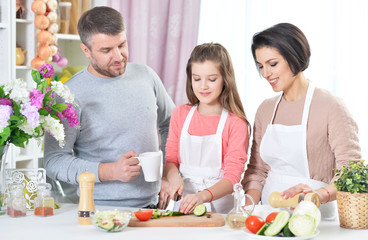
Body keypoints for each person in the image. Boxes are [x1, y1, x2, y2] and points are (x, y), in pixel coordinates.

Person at [44, 6, 175, 208]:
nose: (118, 56)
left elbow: (172, 125)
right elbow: (54, 161)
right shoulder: (68, 95)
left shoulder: (146, 75)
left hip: (153, 207)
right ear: (86, 50)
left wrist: (169, 172)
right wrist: (110, 171)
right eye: (106, 50)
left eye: (121, 45)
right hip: (99, 210)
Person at [241, 23, 361, 220]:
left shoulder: (330, 106)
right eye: (260, 66)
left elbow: (350, 171)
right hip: (268, 216)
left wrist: (317, 196)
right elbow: (257, 171)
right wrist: (247, 211)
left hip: (316, 218)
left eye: (272, 64)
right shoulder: (265, 109)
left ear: (294, 57)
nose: (265, 73)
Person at [160, 43, 250, 214]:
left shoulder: (236, 123)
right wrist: (174, 178)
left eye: (212, 79)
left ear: (225, 79)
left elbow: (232, 179)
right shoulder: (180, 114)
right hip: (184, 207)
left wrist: (202, 196)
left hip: (221, 212)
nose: (203, 86)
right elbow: (171, 160)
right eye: (197, 79)